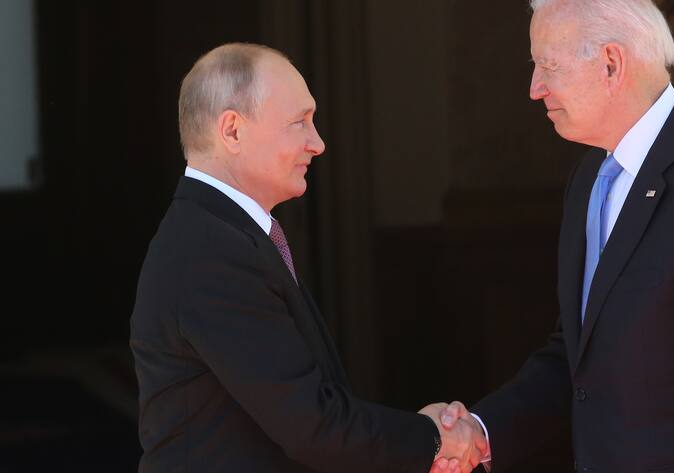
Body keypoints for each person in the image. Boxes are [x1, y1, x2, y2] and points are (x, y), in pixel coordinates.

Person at [431, 1, 674, 472]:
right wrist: (480, 432)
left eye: (549, 66)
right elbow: (580, 356)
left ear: (611, 63)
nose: (534, 88)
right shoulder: (590, 178)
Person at [129, 43, 486, 473]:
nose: (317, 143)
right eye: (299, 122)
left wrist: (424, 437)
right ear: (232, 131)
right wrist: (431, 439)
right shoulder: (211, 251)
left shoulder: (224, 236)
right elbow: (313, 427)